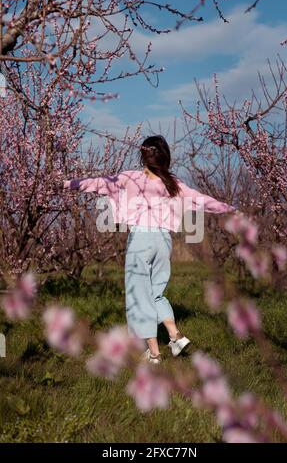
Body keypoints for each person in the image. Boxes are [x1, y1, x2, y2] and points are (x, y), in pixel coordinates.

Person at [64, 135, 235, 364]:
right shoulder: (173, 183)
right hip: (164, 242)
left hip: (141, 241)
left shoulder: (130, 178)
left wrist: (68, 183)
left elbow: (98, 184)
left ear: (143, 155)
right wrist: (229, 208)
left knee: (138, 295)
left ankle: (154, 353)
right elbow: (200, 200)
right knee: (155, 293)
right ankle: (175, 335)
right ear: (165, 157)